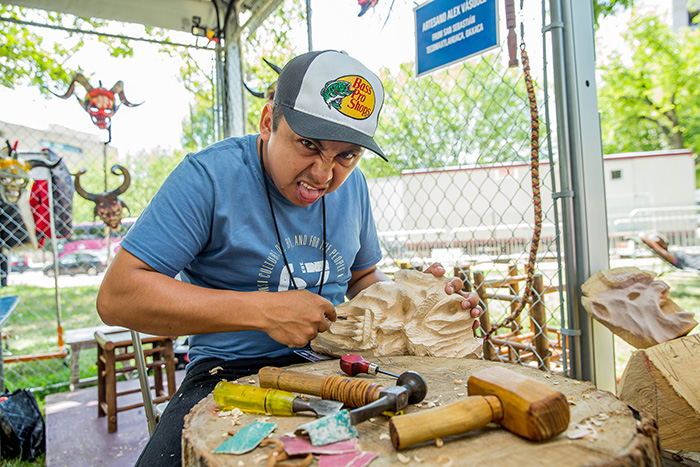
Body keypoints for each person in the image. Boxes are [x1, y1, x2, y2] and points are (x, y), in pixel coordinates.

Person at [96, 50, 482, 465]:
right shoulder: (209, 176)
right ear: (268, 122)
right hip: (229, 371)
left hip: (338, 364)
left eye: (346, 156)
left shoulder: (352, 189)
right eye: (308, 145)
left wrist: (417, 299)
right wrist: (263, 312)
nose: (323, 174)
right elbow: (118, 297)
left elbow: (363, 277)